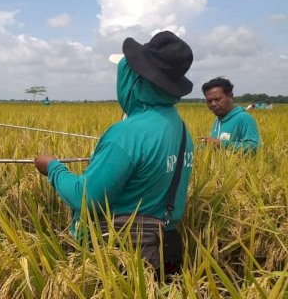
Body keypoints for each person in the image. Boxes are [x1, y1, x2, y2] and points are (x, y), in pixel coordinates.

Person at [34, 31, 194, 273]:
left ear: (134, 79)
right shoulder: (179, 127)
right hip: (165, 246)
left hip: (123, 255)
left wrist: (53, 168)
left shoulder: (128, 132)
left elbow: (85, 198)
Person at [200, 77, 260, 154]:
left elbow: (254, 147)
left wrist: (221, 144)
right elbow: (214, 146)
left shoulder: (244, 118)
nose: (213, 104)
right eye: (209, 101)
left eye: (217, 99)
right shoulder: (218, 120)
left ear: (230, 96)